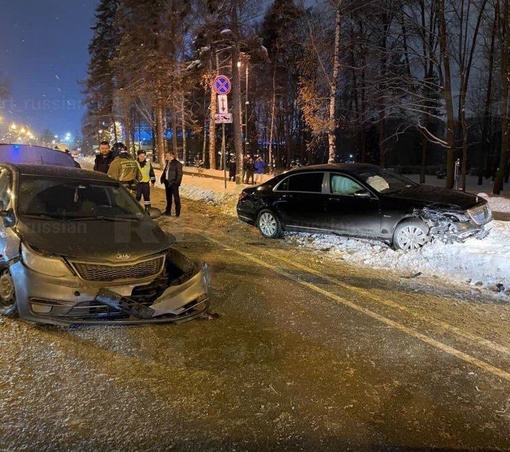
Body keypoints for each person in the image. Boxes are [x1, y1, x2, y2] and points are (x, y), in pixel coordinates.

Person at [160, 151, 183, 216]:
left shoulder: (177, 164)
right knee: (168, 198)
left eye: (167, 156)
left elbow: (179, 175)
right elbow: (165, 172)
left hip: (173, 184)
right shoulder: (168, 163)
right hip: (167, 183)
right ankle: (168, 211)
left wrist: (176, 183)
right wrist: (163, 179)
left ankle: (177, 213)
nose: (166, 157)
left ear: (172, 156)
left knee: (176, 198)